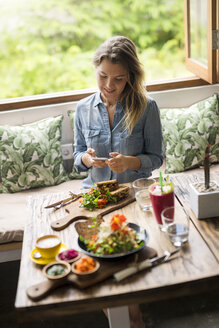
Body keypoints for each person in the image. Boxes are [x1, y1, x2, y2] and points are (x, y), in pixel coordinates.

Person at [73, 35, 164, 328]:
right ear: (95, 70)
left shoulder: (147, 107)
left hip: (132, 196)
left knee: (127, 257)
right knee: (100, 261)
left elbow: (157, 157)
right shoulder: (82, 109)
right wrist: (86, 159)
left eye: (119, 79)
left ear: (131, 77)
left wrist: (131, 162)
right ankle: (127, 318)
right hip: (94, 198)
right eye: (103, 76)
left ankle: (131, 318)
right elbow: (75, 158)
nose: (109, 85)